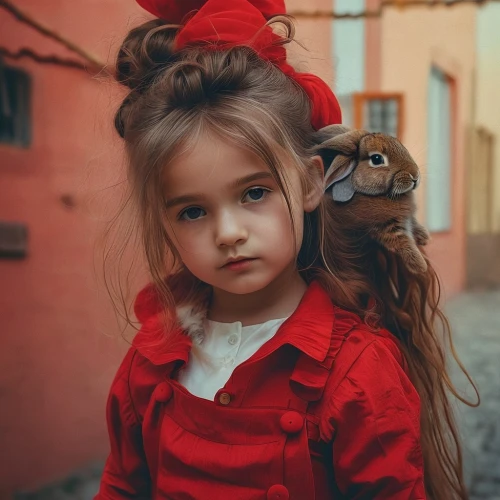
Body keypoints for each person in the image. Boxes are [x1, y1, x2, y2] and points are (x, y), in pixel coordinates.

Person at [95, 0, 476, 498]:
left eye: (254, 193)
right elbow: (122, 484)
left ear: (310, 184)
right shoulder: (152, 357)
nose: (228, 232)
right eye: (192, 211)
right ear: (163, 220)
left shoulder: (356, 372)